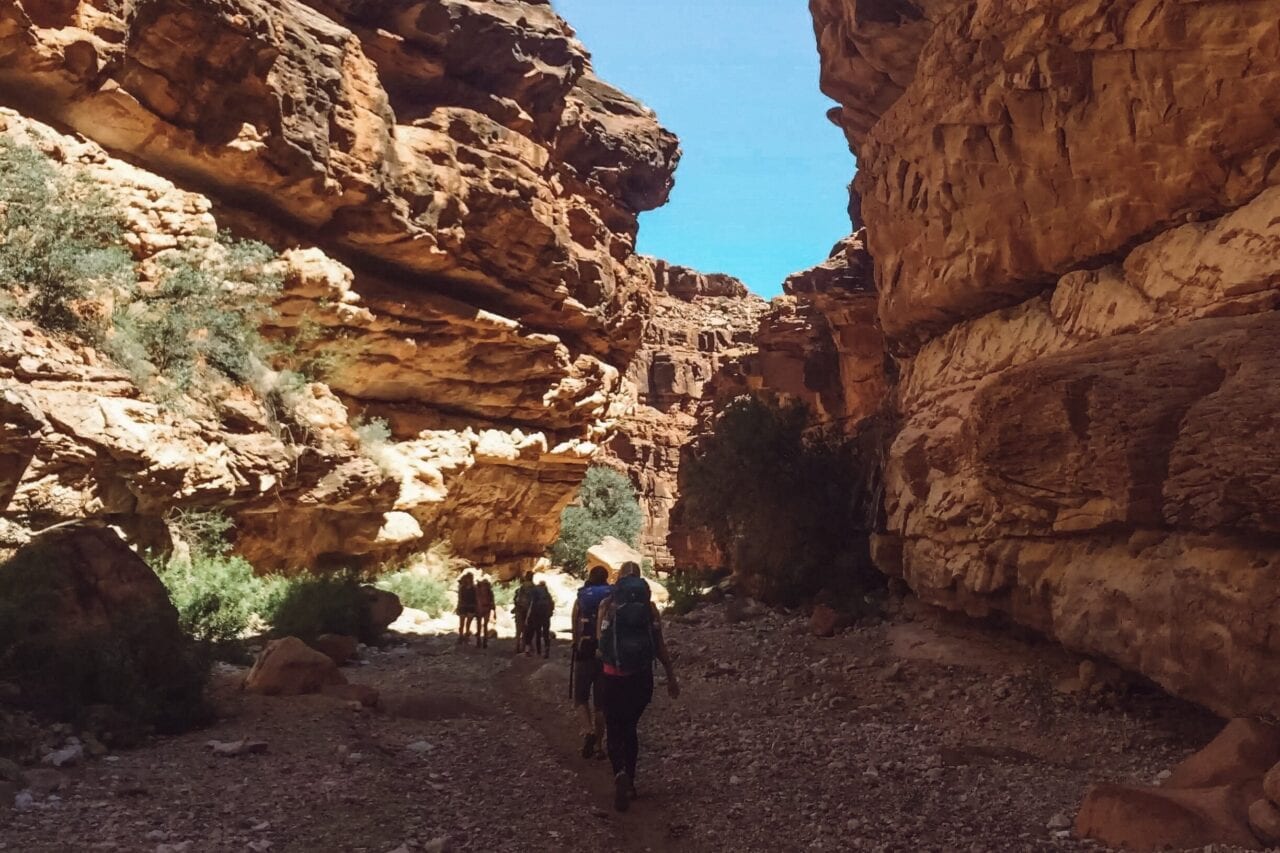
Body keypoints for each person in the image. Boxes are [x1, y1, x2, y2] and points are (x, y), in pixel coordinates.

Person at [596, 561, 679, 813]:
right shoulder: (650, 608)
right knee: (630, 727)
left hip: (611, 677)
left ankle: (618, 771)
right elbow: (659, 645)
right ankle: (630, 783)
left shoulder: (607, 605)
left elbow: (601, 645)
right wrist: (671, 676)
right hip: (640, 678)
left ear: (618, 580)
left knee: (613, 726)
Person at [571, 566, 613, 760]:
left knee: (580, 698)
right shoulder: (612, 595)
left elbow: (575, 620)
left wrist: (575, 642)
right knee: (601, 704)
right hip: (605, 652)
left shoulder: (582, 595)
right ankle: (598, 747)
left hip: (585, 649)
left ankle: (588, 731)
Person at [525, 580, 554, 658]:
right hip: (546, 616)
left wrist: (528, 616)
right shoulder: (547, 595)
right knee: (546, 633)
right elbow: (552, 605)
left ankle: (539, 652)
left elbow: (532, 604)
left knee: (538, 633)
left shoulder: (535, 593)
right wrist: (549, 613)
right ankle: (547, 649)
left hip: (537, 615)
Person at [512, 572, 535, 654]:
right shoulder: (534, 587)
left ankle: (517, 645)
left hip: (520, 609)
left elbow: (516, 599)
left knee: (518, 629)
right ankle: (526, 646)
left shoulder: (522, 587)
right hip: (530, 610)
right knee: (529, 629)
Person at [456, 572, 477, 644]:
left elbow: (476, 598)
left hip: (471, 607)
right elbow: (460, 598)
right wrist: (459, 605)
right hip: (463, 606)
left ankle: (466, 636)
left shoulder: (474, 588)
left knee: (468, 623)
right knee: (462, 623)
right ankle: (461, 636)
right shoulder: (463, 588)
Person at [474, 577, 496, 649]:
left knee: (481, 625)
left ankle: (480, 642)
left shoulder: (479, 591)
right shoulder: (488, 591)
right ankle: (482, 642)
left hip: (482, 609)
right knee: (483, 625)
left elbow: (492, 602)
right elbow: (492, 601)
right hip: (485, 609)